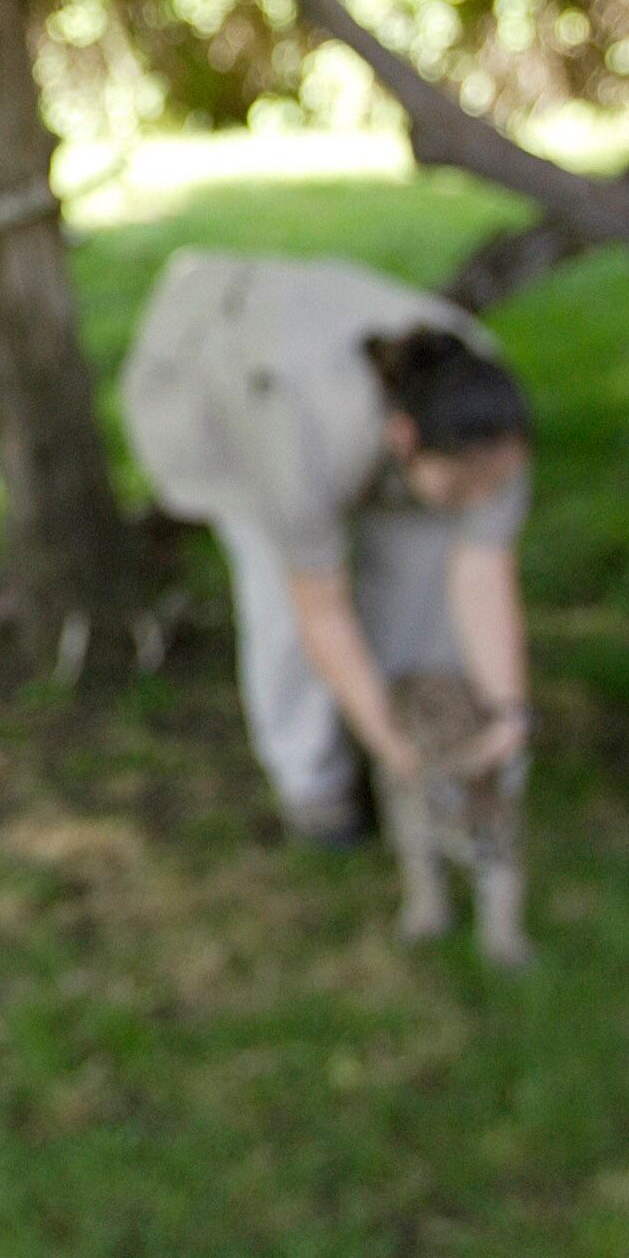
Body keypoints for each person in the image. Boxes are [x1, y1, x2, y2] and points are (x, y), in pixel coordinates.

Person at [118, 250, 537, 847]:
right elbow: (321, 611)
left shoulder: (485, 414)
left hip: (351, 398)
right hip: (217, 379)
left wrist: (507, 710)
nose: (480, 499)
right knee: (282, 601)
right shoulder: (298, 431)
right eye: (460, 486)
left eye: (492, 485)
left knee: (423, 566)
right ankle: (315, 786)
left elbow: (482, 568)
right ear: (405, 438)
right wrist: (393, 748)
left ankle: (415, 728)